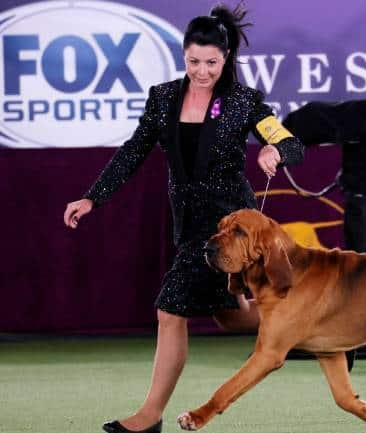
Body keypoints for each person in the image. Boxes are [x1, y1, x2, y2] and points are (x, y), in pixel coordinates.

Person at [62, 4, 303, 433]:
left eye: (211, 62)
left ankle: (148, 417)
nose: (202, 71)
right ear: (183, 55)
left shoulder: (243, 102)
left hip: (228, 228)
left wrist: (274, 150)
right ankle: (313, 332)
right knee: (230, 316)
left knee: (170, 308)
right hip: (189, 225)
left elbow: (287, 140)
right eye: (194, 61)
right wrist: (92, 198)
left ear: (225, 59)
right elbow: (132, 153)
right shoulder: (164, 98)